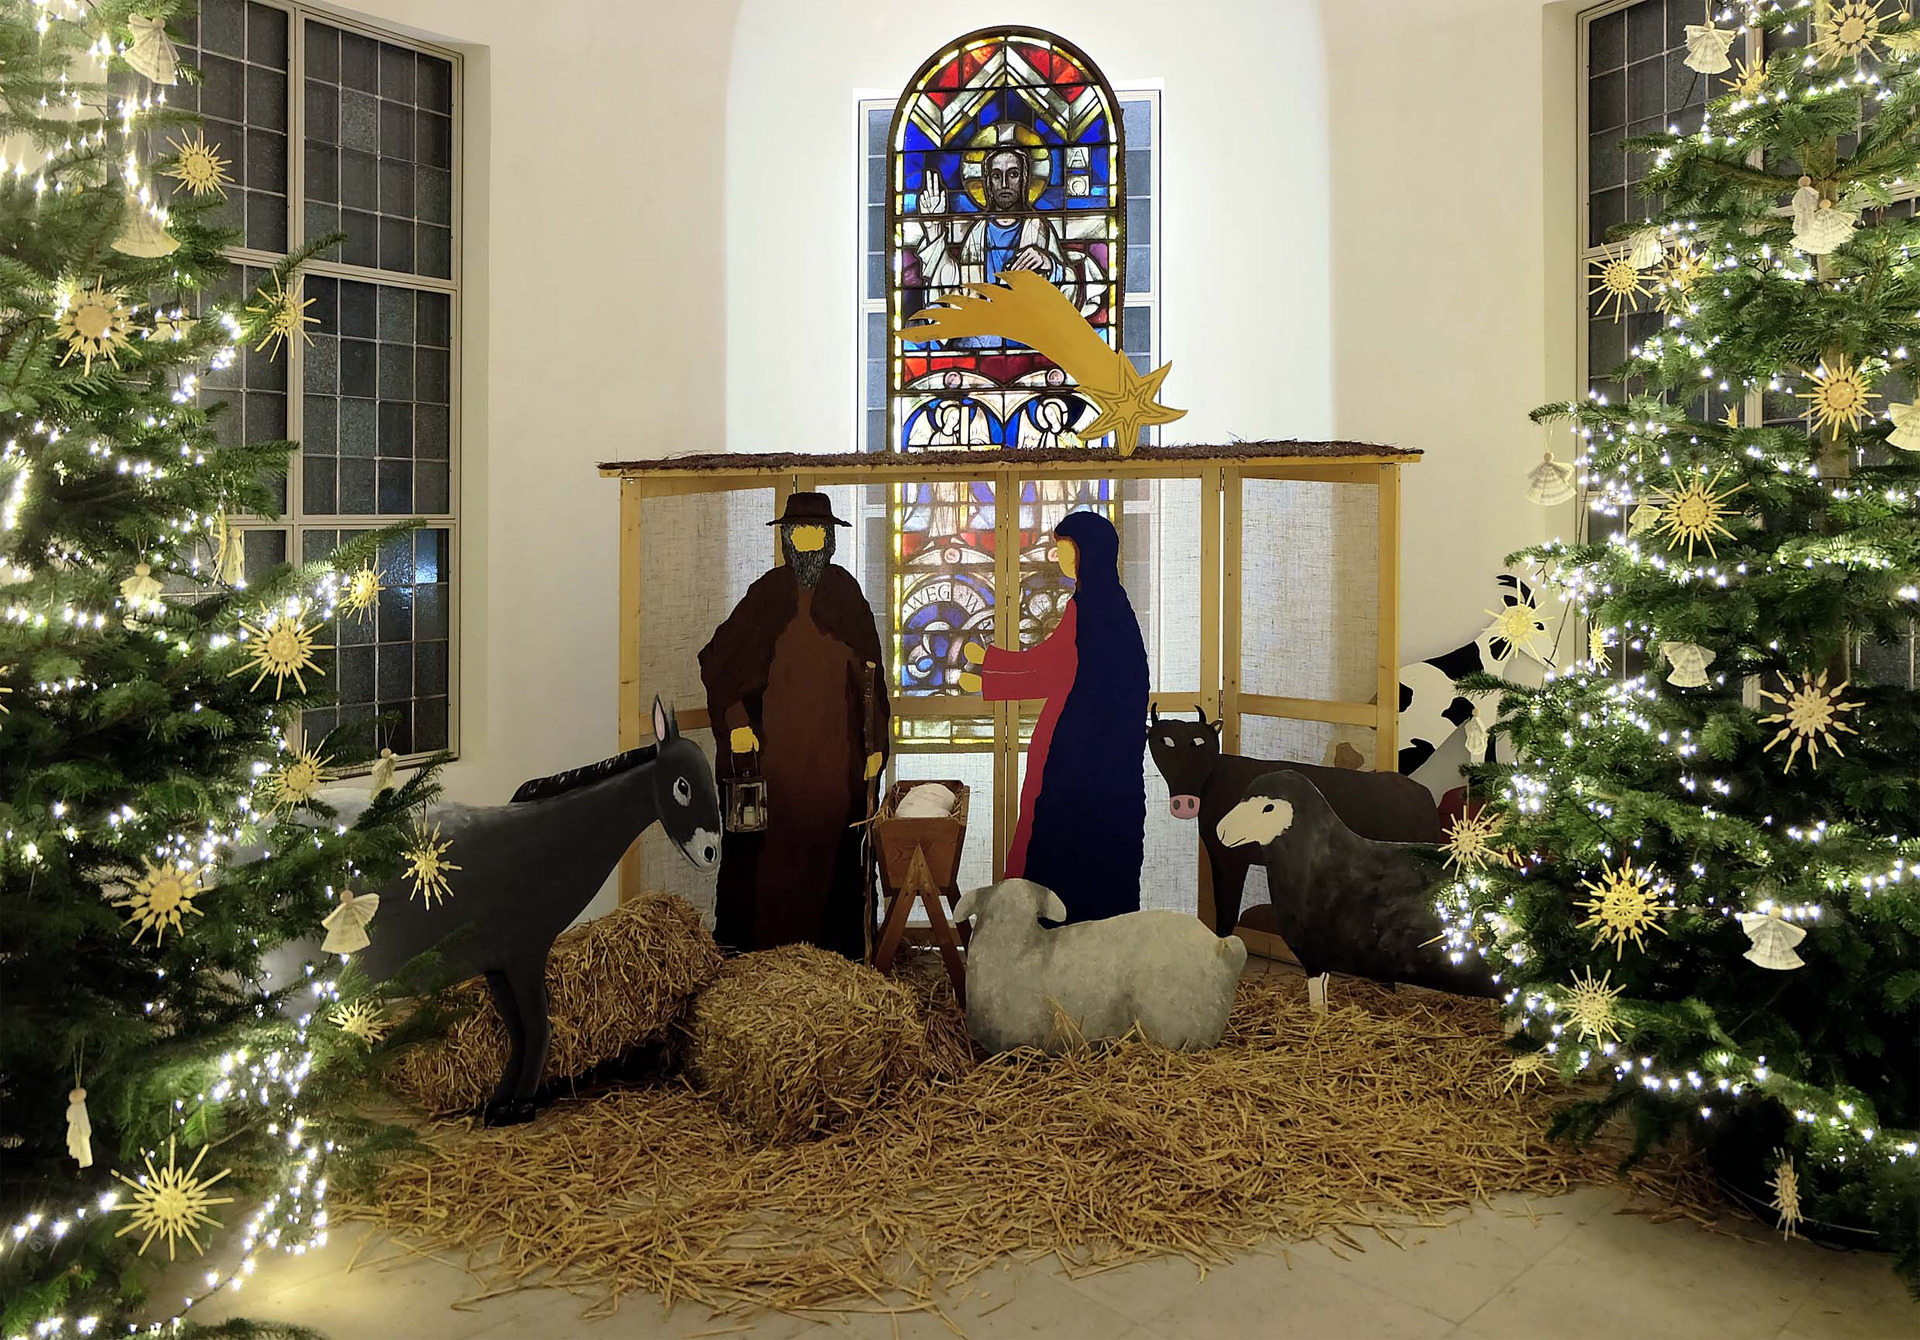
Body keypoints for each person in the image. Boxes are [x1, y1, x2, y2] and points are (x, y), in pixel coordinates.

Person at [699, 493, 888, 957]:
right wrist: (736, 720)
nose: (806, 540)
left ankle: (833, 957)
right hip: (775, 762)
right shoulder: (767, 594)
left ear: (828, 540)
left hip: (835, 762)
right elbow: (718, 661)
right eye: (798, 531)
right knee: (770, 863)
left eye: (815, 532)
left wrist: (876, 745)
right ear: (786, 539)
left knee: (832, 857)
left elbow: (872, 676)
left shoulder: (846, 594)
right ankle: (762, 958)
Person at [960, 509, 1147, 921]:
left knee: (1057, 834)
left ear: (1088, 553)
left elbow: (1053, 666)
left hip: (1078, 756)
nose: (1058, 556)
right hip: (1104, 758)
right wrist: (995, 665)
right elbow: (1058, 663)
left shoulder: (1090, 607)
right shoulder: (1114, 606)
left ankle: (1044, 931)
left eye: (1066, 549)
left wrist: (991, 672)